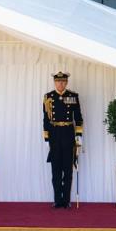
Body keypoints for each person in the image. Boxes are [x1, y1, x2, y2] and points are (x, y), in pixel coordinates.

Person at [43, 71, 83, 208]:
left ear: (66, 82)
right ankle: (57, 200)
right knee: (56, 170)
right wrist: (46, 138)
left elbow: (78, 118)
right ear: (54, 82)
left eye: (63, 81)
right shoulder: (48, 97)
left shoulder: (73, 96)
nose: (60, 84)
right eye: (58, 81)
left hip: (68, 134)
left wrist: (78, 137)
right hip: (54, 134)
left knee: (68, 169)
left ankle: (66, 200)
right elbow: (45, 119)